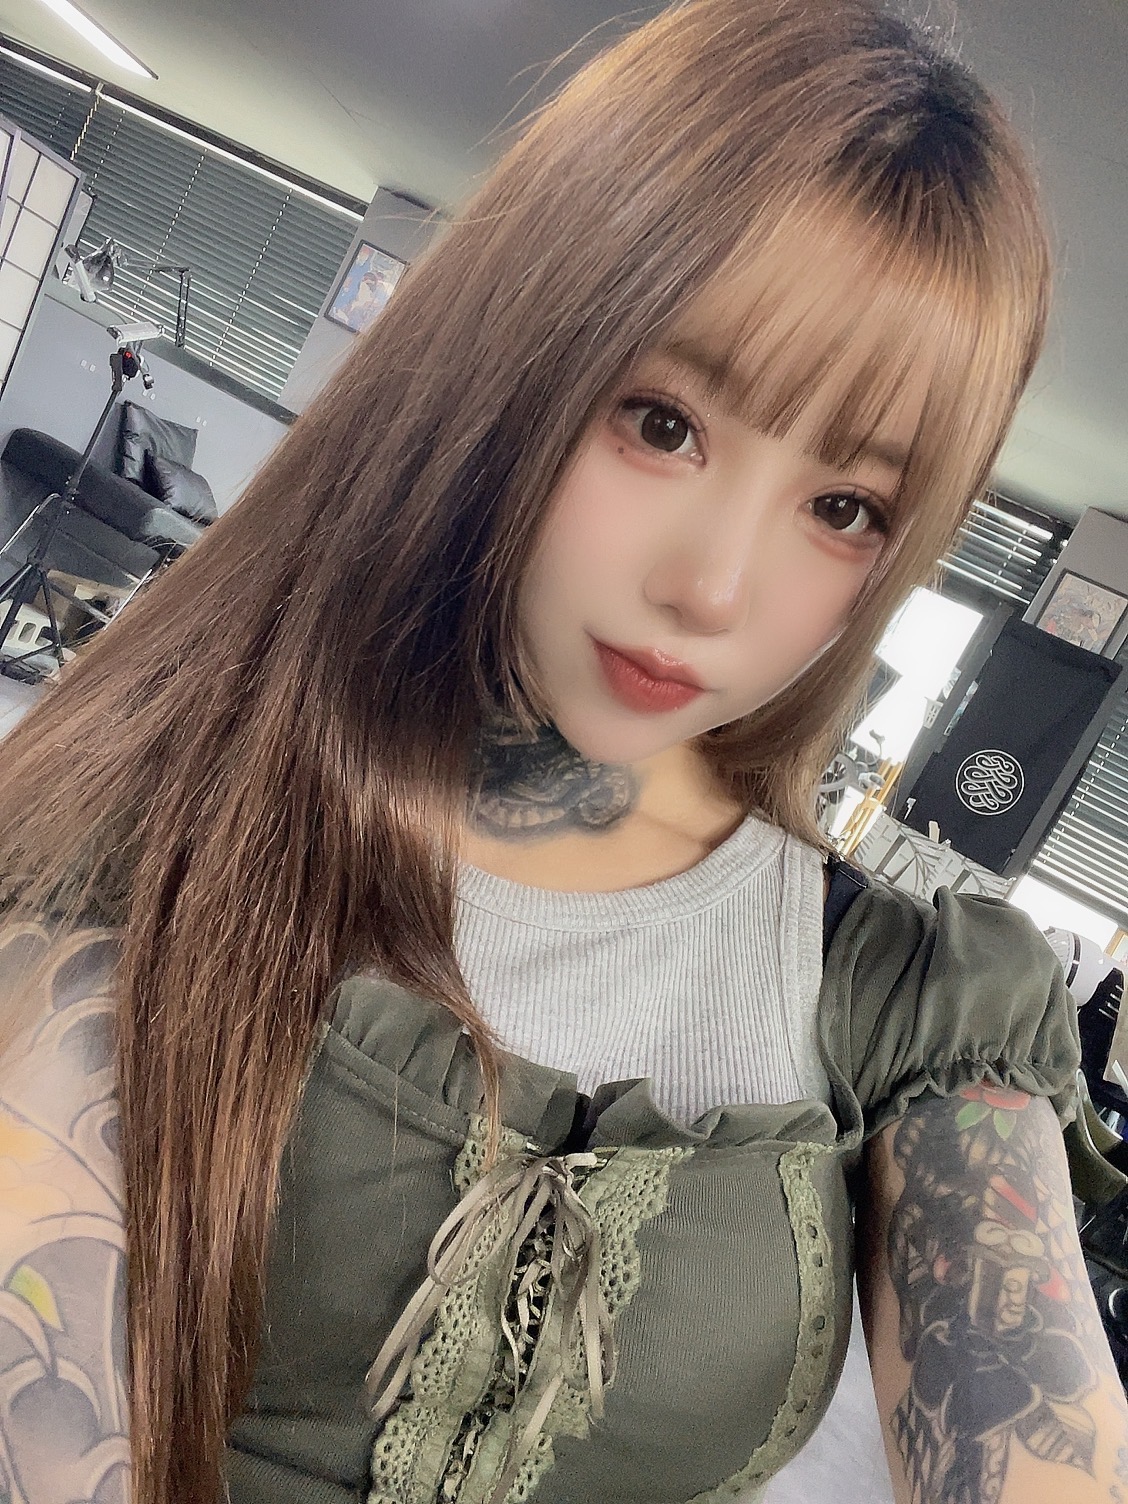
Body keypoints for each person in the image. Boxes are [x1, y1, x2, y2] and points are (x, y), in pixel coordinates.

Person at [0, 1, 1124, 1501]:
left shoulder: (901, 997)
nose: (713, 588)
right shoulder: (174, 810)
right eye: (661, 422)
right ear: (510, 358)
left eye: (844, 507)